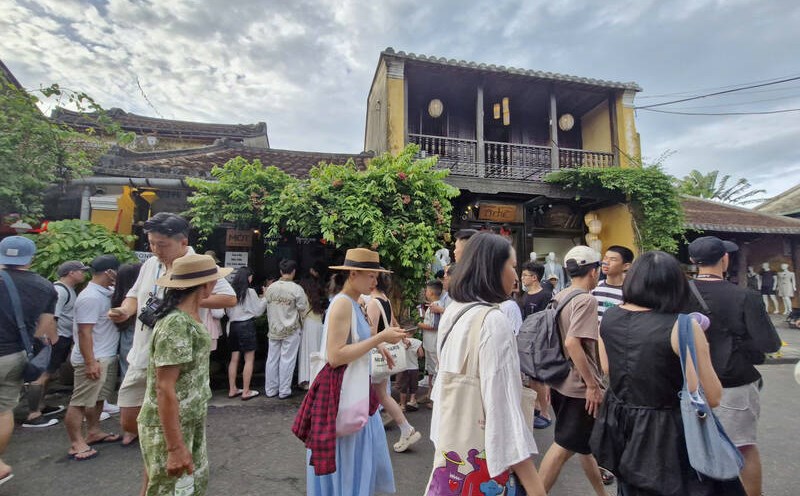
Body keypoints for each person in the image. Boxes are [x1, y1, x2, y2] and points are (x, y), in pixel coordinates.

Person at [591, 250, 746, 495]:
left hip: (621, 423)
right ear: (676, 285)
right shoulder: (683, 326)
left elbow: (607, 367)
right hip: (667, 433)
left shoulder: (609, 317)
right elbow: (713, 396)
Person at [107, 213, 236, 495]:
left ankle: (157, 456)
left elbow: (229, 297)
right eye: (152, 243)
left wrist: (185, 298)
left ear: (182, 242)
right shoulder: (172, 314)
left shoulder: (196, 266)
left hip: (179, 380)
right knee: (135, 421)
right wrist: (127, 311)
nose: (155, 249)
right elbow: (133, 295)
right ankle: (160, 450)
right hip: (145, 355)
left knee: (170, 467)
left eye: (161, 244)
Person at [431, 232, 546, 495]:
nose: (517, 276)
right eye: (512, 266)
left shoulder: (454, 310)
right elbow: (503, 413)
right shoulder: (494, 321)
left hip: (451, 451)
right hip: (484, 462)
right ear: (493, 269)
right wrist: (534, 485)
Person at [685, 236, 781, 496]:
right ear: (724, 259)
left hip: (690, 384)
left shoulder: (679, 293)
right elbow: (769, 343)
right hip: (733, 383)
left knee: (694, 447)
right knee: (744, 448)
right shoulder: (745, 296)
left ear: (693, 261)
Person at [305, 248, 405, 495]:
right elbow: (335, 356)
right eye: (370, 276)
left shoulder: (353, 302)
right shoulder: (342, 304)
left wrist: (378, 343)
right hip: (345, 396)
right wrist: (380, 337)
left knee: (356, 460)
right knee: (349, 462)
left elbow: (356, 339)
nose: (375, 281)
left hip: (357, 393)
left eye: (376, 276)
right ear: (353, 273)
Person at [138, 254, 232, 495]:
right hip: (171, 424)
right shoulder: (177, 323)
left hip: (187, 419)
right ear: (206, 285)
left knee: (183, 487)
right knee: (169, 489)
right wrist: (174, 447)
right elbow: (164, 388)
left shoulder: (187, 316)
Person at [538, 246, 607, 496]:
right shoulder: (586, 299)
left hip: (559, 381)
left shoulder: (560, 296)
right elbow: (571, 342)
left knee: (582, 444)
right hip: (578, 387)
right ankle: (536, 491)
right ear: (593, 270)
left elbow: (554, 341)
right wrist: (592, 385)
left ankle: (602, 493)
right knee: (563, 447)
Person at [0, 236, 58, 485]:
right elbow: (44, 328)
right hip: (14, 355)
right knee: (4, 410)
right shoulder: (45, 287)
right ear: (31, 258)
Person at [64, 255, 122, 461]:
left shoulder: (106, 292)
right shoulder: (90, 297)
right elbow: (84, 332)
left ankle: (94, 431)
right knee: (80, 401)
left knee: (97, 399)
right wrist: (90, 362)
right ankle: (76, 442)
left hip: (105, 355)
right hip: (93, 358)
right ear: (109, 272)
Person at [23, 260, 89, 428]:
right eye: (80, 271)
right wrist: (53, 339)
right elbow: (51, 316)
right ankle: (33, 414)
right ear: (70, 273)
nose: (83, 274)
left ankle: (41, 405)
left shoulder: (69, 290)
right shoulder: (60, 290)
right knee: (42, 375)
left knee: (49, 373)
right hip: (54, 338)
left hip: (61, 337)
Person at [365, 273, 421, 452]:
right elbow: (392, 322)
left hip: (376, 354)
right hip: (386, 353)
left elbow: (372, 332)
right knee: (382, 395)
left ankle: (400, 430)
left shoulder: (373, 302)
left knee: (373, 395)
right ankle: (406, 429)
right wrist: (402, 337)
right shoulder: (385, 299)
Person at [264, 259, 308, 399]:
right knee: (287, 360)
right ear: (294, 271)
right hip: (291, 329)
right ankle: (284, 390)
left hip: (273, 328)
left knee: (272, 359)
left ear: (281, 271)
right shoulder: (297, 289)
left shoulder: (271, 288)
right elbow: (303, 309)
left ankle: (270, 389)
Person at [518, 260, 554, 430]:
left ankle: (546, 413)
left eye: (525, 275)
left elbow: (549, 321)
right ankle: (537, 407)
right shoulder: (525, 295)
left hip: (539, 342)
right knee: (532, 378)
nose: (522, 278)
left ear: (534, 277)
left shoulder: (545, 296)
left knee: (539, 378)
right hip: (526, 340)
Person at [111, 262, 142, 446]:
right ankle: (134, 428)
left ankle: (129, 429)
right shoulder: (136, 296)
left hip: (124, 339)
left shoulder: (115, 294)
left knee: (127, 381)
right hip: (135, 339)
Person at [225, 267, 267, 401]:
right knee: (249, 359)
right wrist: (265, 297)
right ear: (248, 278)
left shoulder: (230, 292)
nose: (251, 279)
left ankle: (232, 389)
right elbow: (259, 311)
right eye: (251, 277)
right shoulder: (249, 292)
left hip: (232, 326)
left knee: (234, 359)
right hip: (246, 325)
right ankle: (246, 391)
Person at [297, 269, 327, 390]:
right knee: (317, 352)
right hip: (319, 324)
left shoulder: (303, 293)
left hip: (308, 324)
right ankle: (317, 379)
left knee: (307, 353)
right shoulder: (317, 294)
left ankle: (306, 380)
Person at [592, 245, 634, 321]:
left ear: (626, 266)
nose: (606, 262)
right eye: (605, 258)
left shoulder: (630, 292)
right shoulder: (595, 287)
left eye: (613, 259)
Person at [418, 280, 443, 399]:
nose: (425, 292)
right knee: (431, 370)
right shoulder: (434, 305)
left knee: (434, 370)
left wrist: (420, 324)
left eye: (427, 290)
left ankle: (434, 397)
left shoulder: (435, 306)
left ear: (432, 292)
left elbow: (434, 325)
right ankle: (430, 394)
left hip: (433, 343)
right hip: (430, 343)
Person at [397, 336, 423, 412]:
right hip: (414, 368)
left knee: (403, 387)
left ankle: (402, 405)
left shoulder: (399, 341)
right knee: (413, 386)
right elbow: (421, 354)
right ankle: (412, 401)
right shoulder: (417, 342)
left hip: (403, 368)